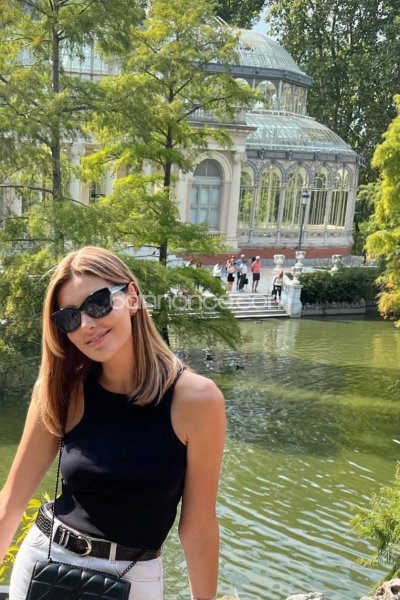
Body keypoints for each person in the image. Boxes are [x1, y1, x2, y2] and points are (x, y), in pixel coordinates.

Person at [0, 246, 225, 600]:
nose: (86, 324)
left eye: (98, 303)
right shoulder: (61, 389)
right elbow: (12, 502)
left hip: (135, 578)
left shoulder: (197, 399)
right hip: (46, 563)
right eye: (69, 318)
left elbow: (198, 527)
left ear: (132, 297)